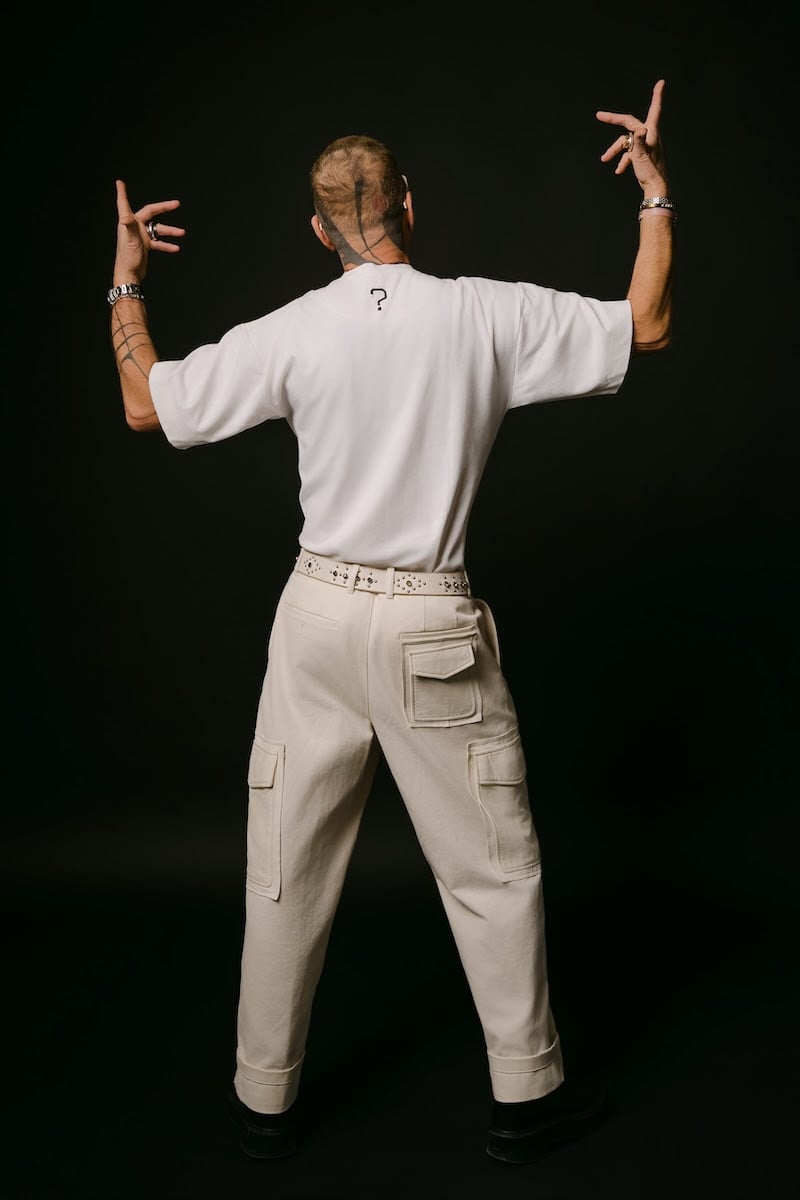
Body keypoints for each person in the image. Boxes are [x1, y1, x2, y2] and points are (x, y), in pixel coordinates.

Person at [109, 78, 673, 1165]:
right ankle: (525, 1097)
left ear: (317, 230)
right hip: (429, 624)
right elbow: (643, 325)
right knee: (490, 869)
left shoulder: (293, 330)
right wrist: (653, 194)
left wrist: (125, 281)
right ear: (410, 205)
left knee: (285, 866)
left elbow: (147, 402)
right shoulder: (483, 313)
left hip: (316, 616)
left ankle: (262, 1102)